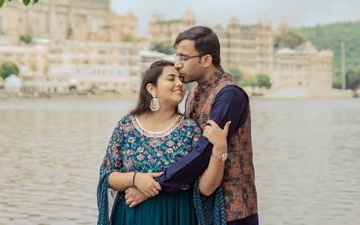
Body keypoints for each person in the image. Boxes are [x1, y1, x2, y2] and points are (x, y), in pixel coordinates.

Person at [123, 26, 259, 225]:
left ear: (206, 60)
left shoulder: (229, 95)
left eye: (184, 58)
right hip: (197, 204)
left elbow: (204, 150)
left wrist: (153, 187)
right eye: (177, 56)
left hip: (232, 209)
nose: (177, 64)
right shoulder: (194, 93)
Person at [97, 59, 229, 225]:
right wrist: (135, 179)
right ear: (151, 88)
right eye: (171, 78)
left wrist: (219, 150)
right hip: (131, 217)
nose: (179, 83)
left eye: (181, 79)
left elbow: (205, 188)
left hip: (177, 215)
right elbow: (107, 176)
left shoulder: (190, 129)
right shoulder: (126, 126)